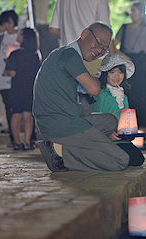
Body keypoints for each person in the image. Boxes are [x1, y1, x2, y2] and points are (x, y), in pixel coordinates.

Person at [33, 22, 130, 172]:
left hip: (62, 121)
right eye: (99, 43)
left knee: (110, 121)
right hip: (62, 126)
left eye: (104, 49)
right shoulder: (69, 54)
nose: (99, 51)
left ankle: (67, 147)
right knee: (121, 160)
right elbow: (95, 89)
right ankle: (61, 155)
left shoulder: (65, 55)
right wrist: (97, 80)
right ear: (84, 34)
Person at [113, 2, 146, 141]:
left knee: (144, 96)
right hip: (127, 63)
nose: (131, 14)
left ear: (141, 13)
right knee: (128, 93)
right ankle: (127, 127)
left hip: (143, 65)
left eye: (134, 11)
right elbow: (113, 45)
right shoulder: (125, 28)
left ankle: (144, 128)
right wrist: (125, 57)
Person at [92, 53, 145, 167]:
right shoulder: (101, 94)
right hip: (104, 140)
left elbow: (126, 119)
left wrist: (130, 132)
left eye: (120, 72)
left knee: (137, 159)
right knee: (124, 159)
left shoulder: (123, 96)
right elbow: (95, 118)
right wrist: (107, 134)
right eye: (112, 72)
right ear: (105, 74)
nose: (117, 76)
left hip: (121, 140)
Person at [3, 28, 41, 150]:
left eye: (20, 33)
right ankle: (26, 142)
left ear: (24, 36)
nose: (18, 35)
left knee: (16, 115)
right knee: (28, 116)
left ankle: (17, 142)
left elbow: (13, 73)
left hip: (17, 89)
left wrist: (7, 72)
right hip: (30, 89)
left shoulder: (15, 54)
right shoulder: (35, 56)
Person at [0, 10, 20, 147]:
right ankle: (13, 139)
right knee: (9, 108)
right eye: (4, 23)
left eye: (9, 22)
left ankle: (24, 139)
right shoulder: (0, 38)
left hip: (18, 79)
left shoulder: (20, 37)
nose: (6, 25)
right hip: (3, 79)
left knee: (18, 109)